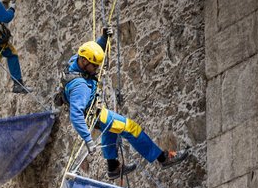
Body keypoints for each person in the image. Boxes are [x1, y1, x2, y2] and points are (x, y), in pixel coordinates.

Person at [58, 28, 189, 179]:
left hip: (95, 110)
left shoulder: (75, 60)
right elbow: (76, 116)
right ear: (84, 62)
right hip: (95, 115)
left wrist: (104, 38)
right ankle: (162, 158)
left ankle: (113, 166)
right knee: (131, 128)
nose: (96, 70)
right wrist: (88, 140)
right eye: (94, 66)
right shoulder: (80, 87)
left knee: (111, 128)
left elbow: (95, 48)